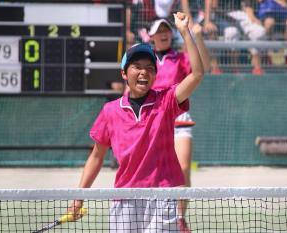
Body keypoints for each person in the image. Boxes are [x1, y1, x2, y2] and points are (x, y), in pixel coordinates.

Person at [70, 12, 204, 232]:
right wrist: (79, 196)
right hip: (124, 198)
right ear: (124, 73)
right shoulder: (110, 111)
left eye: (150, 68)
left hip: (162, 197)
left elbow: (197, 74)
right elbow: (96, 156)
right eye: (137, 67)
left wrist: (185, 32)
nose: (144, 72)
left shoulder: (166, 100)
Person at [147, 17, 210, 229]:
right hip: (153, 120)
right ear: (151, 36)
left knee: (183, 168)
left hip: (179, 118)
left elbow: (203, 68)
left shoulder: (180, 58)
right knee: (153, 172)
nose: (164, 33)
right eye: (159, 30)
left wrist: (198, 36)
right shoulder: (145, 61)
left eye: (167, 29)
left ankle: (180, 217)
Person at [203, 0, 266, 75]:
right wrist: (207, 21)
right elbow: (212, 4)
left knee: (259, 31)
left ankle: (257, 68)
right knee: (232, 32)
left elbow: (247, 4)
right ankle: (234, 68)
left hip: (241, 13)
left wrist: (252, 17)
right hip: (221, 13)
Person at [257, 0, 287, 66]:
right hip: (268, 13)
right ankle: (265, 54)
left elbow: (286, 4)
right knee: (269, 23)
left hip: (283, 13)